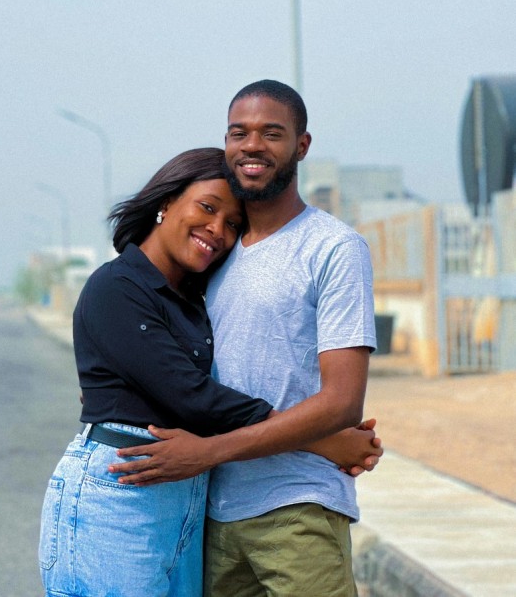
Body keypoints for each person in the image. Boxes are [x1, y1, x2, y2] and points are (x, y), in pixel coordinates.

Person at [39, 147, 380, 597]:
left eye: (233, 224)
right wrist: (324, 439)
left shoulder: (194, 297)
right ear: (166, 202)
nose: (217, 230)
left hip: (190, 499)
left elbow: (196, 389)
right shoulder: (116, 285)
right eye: (206, 208)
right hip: (121, 491)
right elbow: (193, 396)